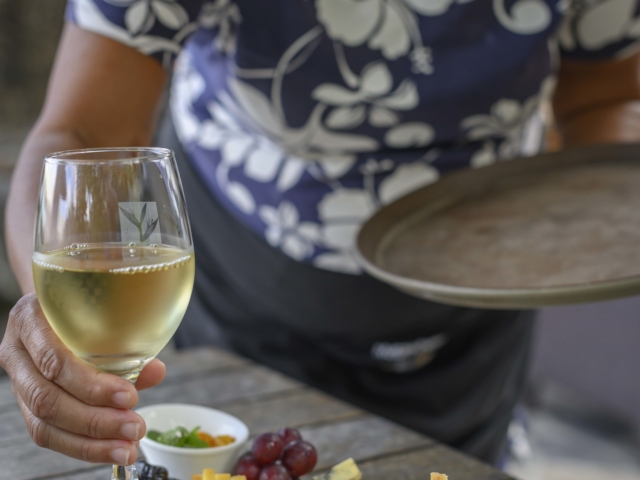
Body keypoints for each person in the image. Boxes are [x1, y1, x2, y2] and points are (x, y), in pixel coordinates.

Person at [2, 0, 640, 469]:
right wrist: (61, 312)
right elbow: (78, 136)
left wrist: (599, 214)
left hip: (478, 311)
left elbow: (604, 94)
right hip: (245, 300)